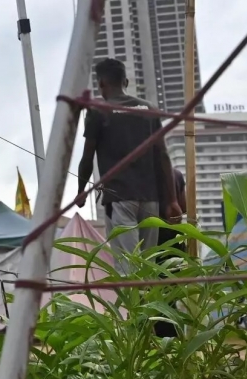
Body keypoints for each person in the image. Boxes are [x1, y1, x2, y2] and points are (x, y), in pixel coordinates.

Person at [75, 58, 181, 267]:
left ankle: (132, 300)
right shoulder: (148, 109)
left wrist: (81, 191)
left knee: (127, 267)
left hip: (119, 198)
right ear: (126, 82)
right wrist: (172, 201)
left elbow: (87, 158)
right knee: (148, 265)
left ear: (101, 84)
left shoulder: (97, 111)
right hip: (150, 200)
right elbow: (163, 155)